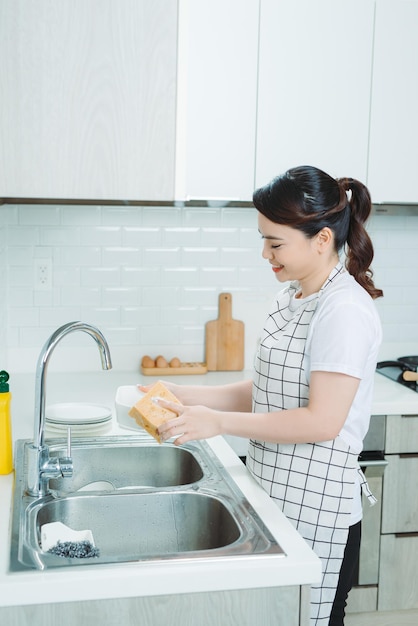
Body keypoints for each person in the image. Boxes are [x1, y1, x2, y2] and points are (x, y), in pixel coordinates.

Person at [140, 165, 383, 626]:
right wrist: (184, 394)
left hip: (318, 509)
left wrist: (218, 422)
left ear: (322, 239)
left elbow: (321, 421)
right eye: (263, 240)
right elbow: (269, 390)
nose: (265, 254)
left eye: (275, 243)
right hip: (275, 496)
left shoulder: (344, 310)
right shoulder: (291, 297)